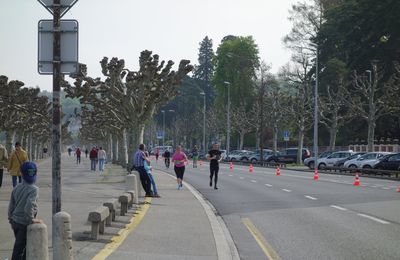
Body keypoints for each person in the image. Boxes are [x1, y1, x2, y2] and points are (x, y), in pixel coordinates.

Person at [8, 161, 42, 260]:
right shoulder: (34, 189)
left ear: (21, 174)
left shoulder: (16, 187)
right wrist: (32, 219)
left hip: (15, 221)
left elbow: (11, 205)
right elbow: (29, 206)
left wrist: (10, 218)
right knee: (19, 249)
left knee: (22, 247)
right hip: (24, 223)